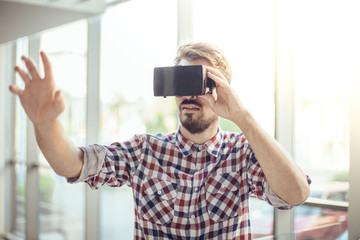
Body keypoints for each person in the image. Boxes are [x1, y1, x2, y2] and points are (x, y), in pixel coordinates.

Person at [9, 42, 310, 239]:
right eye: (182, 80)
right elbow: (73, 164)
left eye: (202, 82)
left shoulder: (243, 152)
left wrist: (242, 116)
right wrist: (45, 124)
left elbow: (296, 194)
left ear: (222, 89)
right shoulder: (144, 151)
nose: (190, 94)